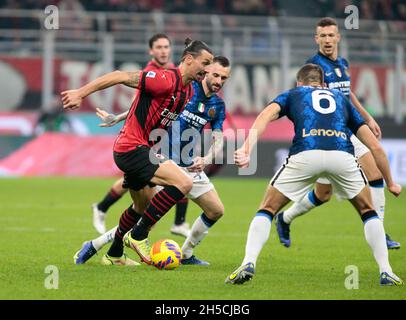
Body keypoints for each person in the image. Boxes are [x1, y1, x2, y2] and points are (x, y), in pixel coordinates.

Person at [225, 64, 403, 286]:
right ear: (324, 84)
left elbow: (265, 116)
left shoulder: (293, 94)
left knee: (267, 209)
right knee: (368, 211)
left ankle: (248, 262)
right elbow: (376, 147)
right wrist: (391, 182)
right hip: (341, 156)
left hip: (306, 154)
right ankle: (386, 271)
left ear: (299, 83)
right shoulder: (340, 98)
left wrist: (246, 148)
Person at [63, 38, 213, 266]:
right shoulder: (164, 79)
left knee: (141, 206)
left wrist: (120, 117)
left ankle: (113, 255)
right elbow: (118, 75)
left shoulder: (188, 92)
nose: (208, 69)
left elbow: (145, 107)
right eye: (206, 62)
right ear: (189, 59)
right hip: (132, 148)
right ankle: (138, 236)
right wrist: (80, 93)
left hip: (141, 149)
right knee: (183, 183)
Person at [275, 17, 400, 250]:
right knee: (323, 195)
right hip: (329, 133)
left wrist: (367, 118)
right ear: (316, 39)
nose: (327, 40)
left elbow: (347, 94)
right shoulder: (314, 66)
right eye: (322, 36)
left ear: (338, 37)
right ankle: (285, 218)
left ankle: (379, 233)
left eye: (331, 35)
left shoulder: (342, 63)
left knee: (374, 176)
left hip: (348, 128)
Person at [91, 33, 191, 239]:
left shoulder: (175, 73)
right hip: (141, 138)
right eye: (159, 47)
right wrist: (118, 118)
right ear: (151, 51)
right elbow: (141, 107)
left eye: (166, 47)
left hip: (156, 136)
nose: (163, 50)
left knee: (145, 198)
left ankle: (111, 242)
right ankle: (113, 221)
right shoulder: (151, 73)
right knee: (167, 186)